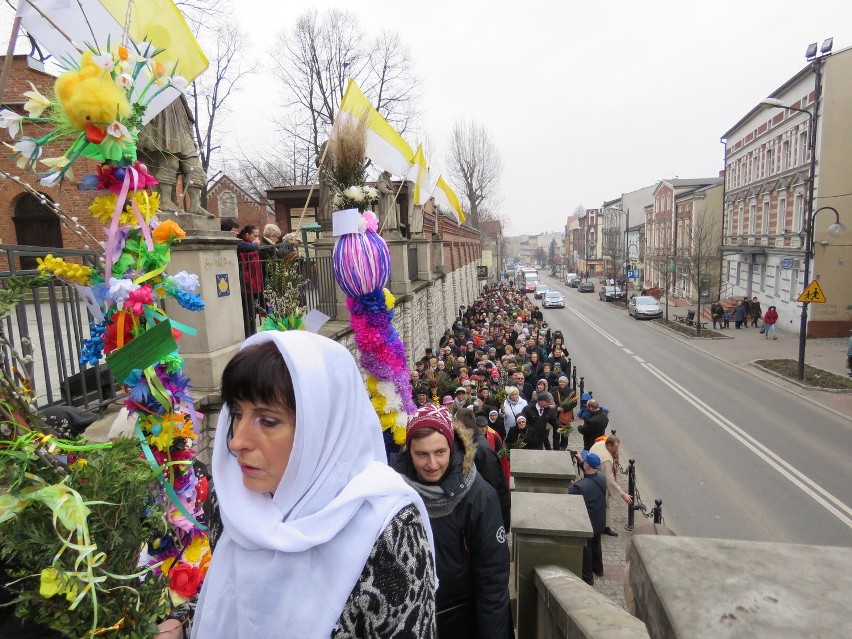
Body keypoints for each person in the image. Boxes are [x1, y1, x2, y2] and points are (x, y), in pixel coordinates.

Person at [189, 332, 437, 638]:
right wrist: (183, 620)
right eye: (237, 414)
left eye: (268, 421)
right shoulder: (229, 502)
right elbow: (230, 596)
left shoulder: (388, 529)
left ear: (321, 428)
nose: (237, 441)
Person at [391, 405, 512, 639]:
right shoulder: (393, 491)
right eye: (421, 454)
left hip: (462, 620)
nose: (432, 464)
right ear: (409, 450)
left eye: (440, 452)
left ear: (452, 446)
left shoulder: (479, 496)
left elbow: (493, 582)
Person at [456, 408, 511, 531]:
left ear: (461, 425)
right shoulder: (471, 443)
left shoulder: (481, 449)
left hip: (483, 514)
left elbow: (495, 485)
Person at [568, 451, 607, 585]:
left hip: (589, 522)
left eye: (585, 462)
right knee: (597, 545)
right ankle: (598, 569)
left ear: (588, 465)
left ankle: (587, 578)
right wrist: (580, 461)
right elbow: (589, 475)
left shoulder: (580, 486)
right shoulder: (601, 477)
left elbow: (570, 493)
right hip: (600, 519)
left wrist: (571, 484)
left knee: (587, 549)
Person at [589, 435, 633, 537]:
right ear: (609, 445)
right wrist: (623, 494)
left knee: (605, 504)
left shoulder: (600, 444)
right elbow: (609, 479)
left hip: (592, 477)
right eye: (616, 448)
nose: (616, 450)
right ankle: (600, 527)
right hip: (598, 483)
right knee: (602, 505)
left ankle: (606, 526)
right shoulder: (606, 460)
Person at [236, 225, 263, 336]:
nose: (257, 238)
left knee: (253, 314)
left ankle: (253, 334)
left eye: (258, 235)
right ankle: (250, 336)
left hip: (255, 286)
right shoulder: (244, 248)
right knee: (249, 315)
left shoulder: (253, 247)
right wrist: (251, 284)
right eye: (255, 235)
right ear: (247, 235)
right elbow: (245, 270)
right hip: (248, 288)